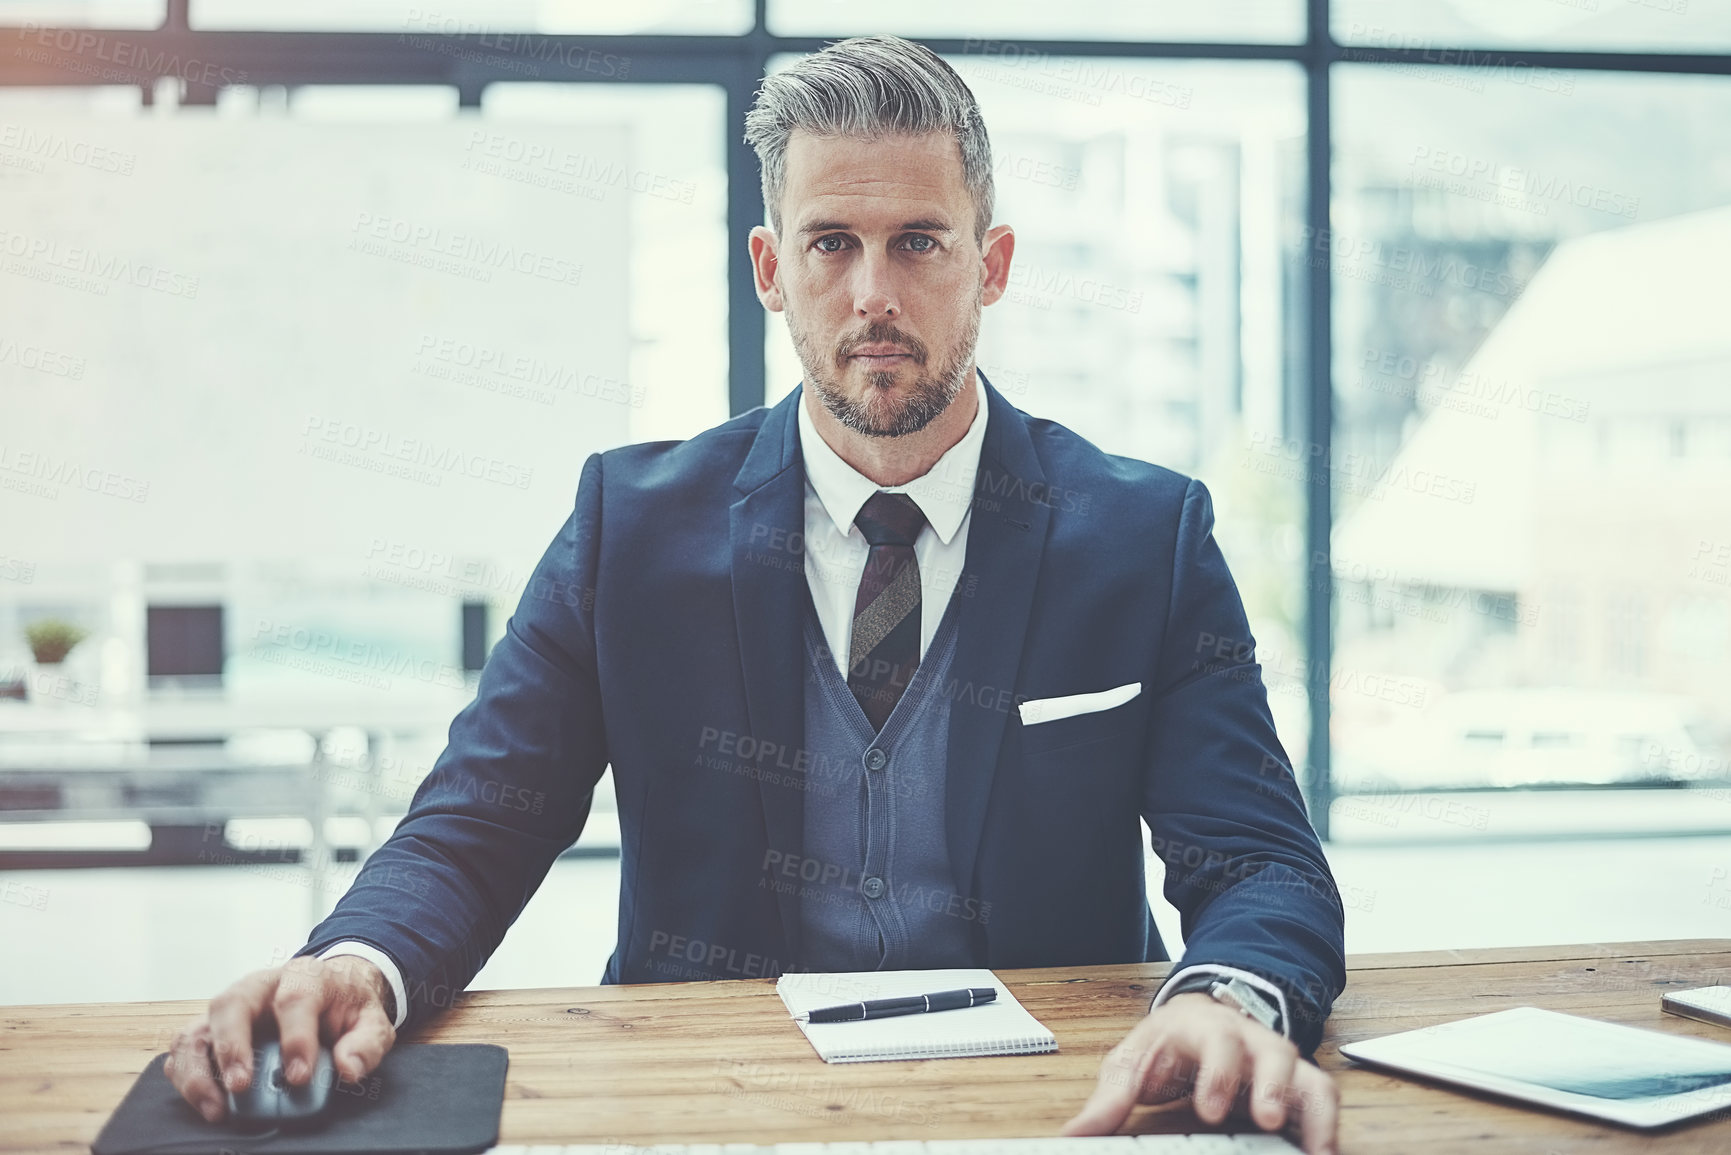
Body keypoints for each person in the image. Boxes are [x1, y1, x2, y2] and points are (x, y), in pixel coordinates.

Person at [167, 35, 1345, 1153]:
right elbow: (480, 821)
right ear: (772, 271)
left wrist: (1228, 1001)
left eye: (920, 241)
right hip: (712, 1102)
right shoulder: (630, 528)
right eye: (832, 242)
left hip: (1062, 1104)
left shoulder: (1146, 537)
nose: (873, 292)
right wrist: (354, 961)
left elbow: (1262, 863)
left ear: (991, 264)